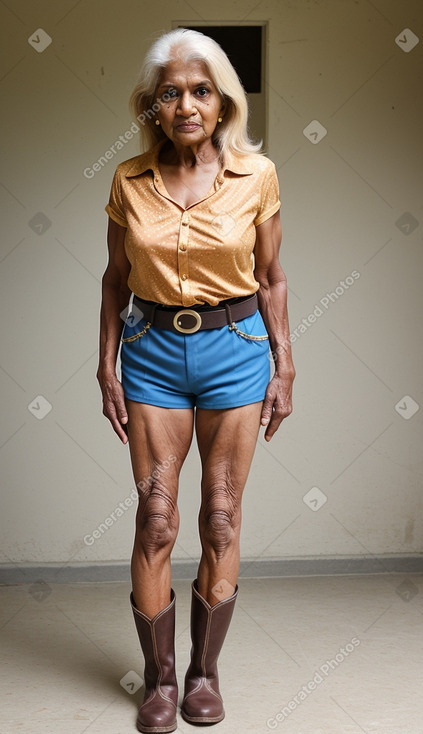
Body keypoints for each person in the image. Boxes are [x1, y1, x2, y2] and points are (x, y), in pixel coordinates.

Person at [97, 27, 295, 733]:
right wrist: (106, 364)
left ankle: (204, 674)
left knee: (220, 514)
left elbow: (271, 278)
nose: (186, 103)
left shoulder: (258, 176)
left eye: (201, 91)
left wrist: (284, 364)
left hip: (237, 349)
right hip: (150, 352)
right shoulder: (128, 178)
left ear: (222, 105)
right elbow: (116, 280)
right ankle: (157, 683)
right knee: (156, 519)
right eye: (170, 93)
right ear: (153, 107)